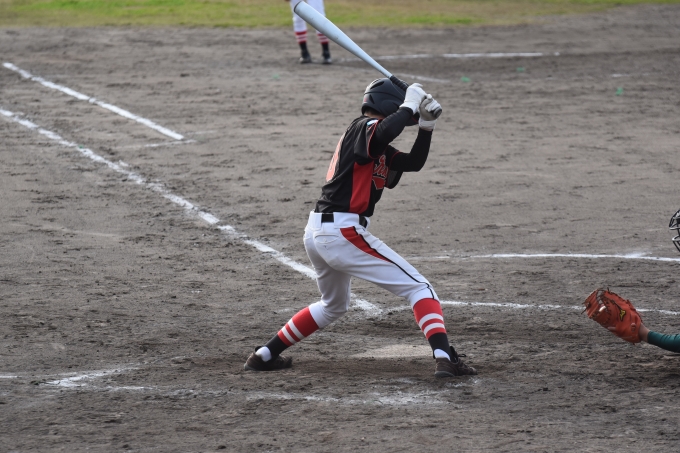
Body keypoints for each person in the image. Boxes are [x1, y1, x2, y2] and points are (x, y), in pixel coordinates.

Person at [244, 78, 478, 378]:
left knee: (333, 306)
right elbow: (385, 130)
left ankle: (264, 355)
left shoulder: (375, 144)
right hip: (342, 231)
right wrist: (410, 104)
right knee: (420, 289)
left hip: (320, 232)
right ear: (389, 104)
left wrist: (426, 127)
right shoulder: (363, 127)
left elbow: (412, 162)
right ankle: (445, 358)